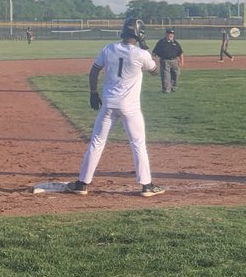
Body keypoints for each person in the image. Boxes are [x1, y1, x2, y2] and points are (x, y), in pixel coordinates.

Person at [66, 18, 165, 197]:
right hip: (131, 107)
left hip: (109, 104)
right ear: (140, 34)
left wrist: (93, 93)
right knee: (138, 144)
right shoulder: (141, 54)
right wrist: (144, 47)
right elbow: (155, 71)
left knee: (97, 142)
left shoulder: (109, 48)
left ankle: (82, 183)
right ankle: (146, 185)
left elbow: (94, 70)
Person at [151, 28, 185, 92]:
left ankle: (173, 87)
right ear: (166, 34)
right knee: (166, 76)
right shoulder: (161, 42)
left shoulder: (175, 43)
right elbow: (154, 52)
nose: (170, 35)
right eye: (169, 34)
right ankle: (166, 89)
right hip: (165, 61)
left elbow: (180, 53)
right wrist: (155, 61)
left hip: (174, 61)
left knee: (176, 74)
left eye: (172, 34)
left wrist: (181, 61)